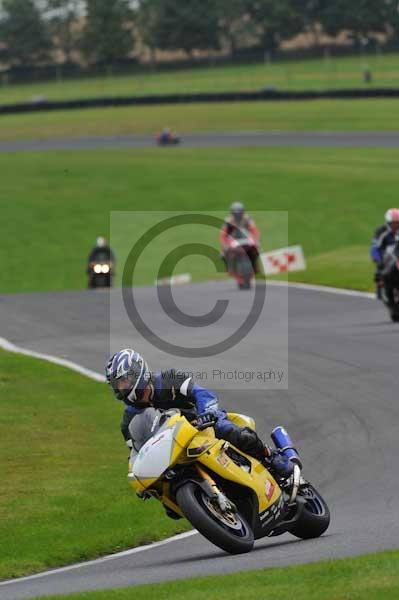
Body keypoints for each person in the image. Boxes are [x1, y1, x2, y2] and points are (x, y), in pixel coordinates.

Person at [105, 350, 295, 491]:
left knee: (227, 430)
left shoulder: (167, 379)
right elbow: (136, 453)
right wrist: (140, 477)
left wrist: (207, 413)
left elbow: (203, 394)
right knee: (167, 496)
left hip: (203, 424)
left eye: (124, 381)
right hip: (175, 448)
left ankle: (271, 456)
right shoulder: (128, 420)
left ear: (138, 371)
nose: (121, 387)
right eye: (117, 384)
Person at [220, 202, 260, 272]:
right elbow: (223, 235)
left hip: (246, 239)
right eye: (236, 214)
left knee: (256, 251)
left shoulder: (248, 220)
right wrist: (224, 244)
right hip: (233, 241)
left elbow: (254, 231)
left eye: (239, 213)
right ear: (232, 213)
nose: (237, 215)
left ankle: (255, 266)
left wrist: (256, 240)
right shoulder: (228, 221)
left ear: (242, 212)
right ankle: (229, 268)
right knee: (223, 255)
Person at [370, 209, 399, 298]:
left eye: (397, 223)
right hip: (385, 256)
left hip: (397, 255)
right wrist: (377, 259)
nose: (395, 225)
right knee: (381, 268)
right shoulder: (381, 231)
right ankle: (380, 284)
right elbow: (374, 247)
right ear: (388, 222)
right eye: (393, 223)